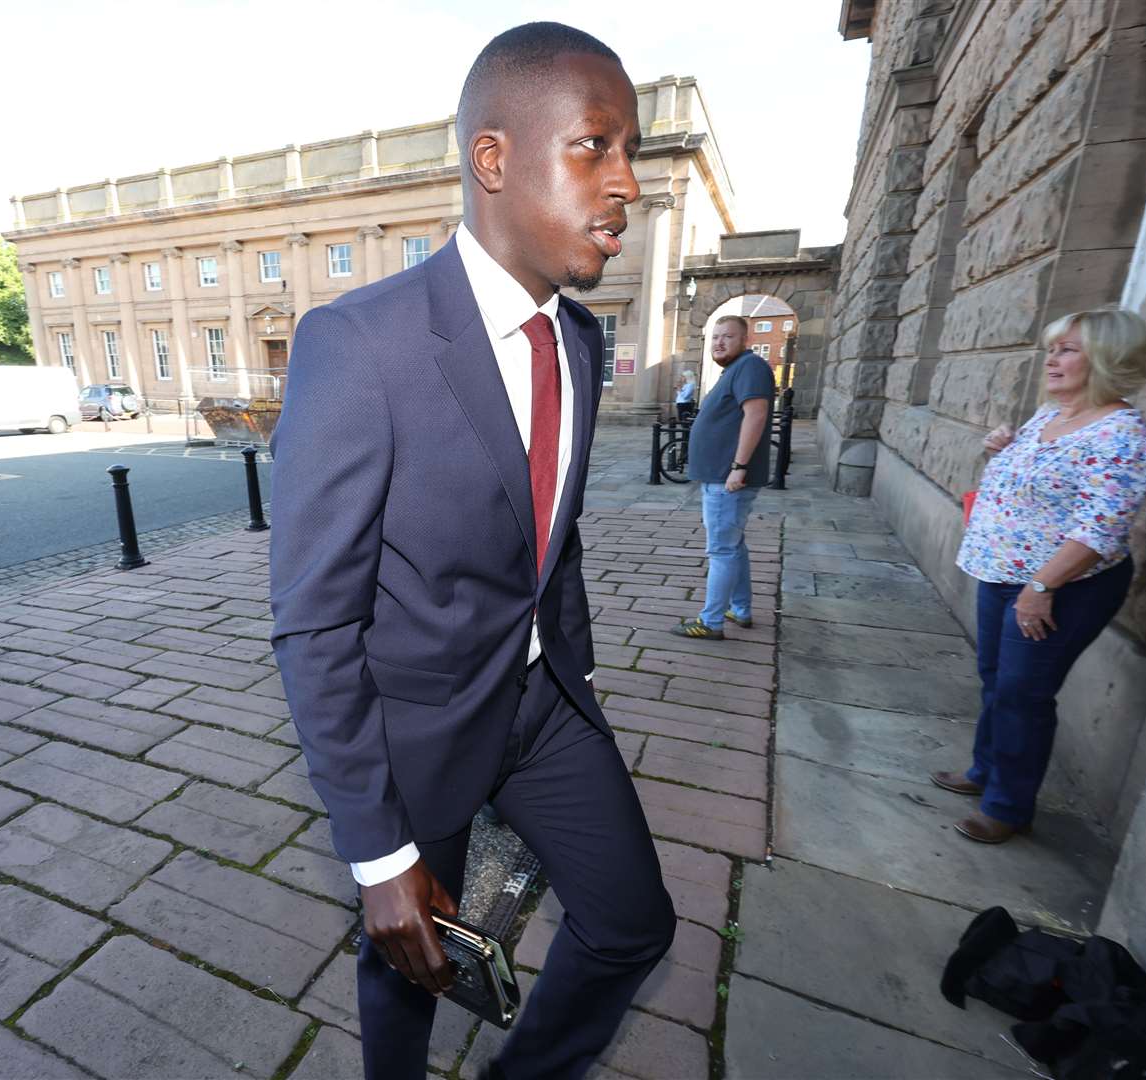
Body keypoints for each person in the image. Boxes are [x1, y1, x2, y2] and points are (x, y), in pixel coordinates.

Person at [270, 23, 674, 1080]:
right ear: (492, 159)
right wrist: (378, 850)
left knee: (633, 924)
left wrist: (570, 671)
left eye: (630, 150)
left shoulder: (580, 342)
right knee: (408, 965)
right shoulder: (359, 346)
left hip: (543, 708)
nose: (626, 181)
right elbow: (314, 622)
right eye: (596, 145)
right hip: (415, 734)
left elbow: (554, 539)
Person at [933, 309, 1146, 843]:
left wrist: (1041, 589)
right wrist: (1004, 451)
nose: (1053, 359)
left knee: (1022, 692)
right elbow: (1044, 485)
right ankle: (984, 771)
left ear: (1108, 359)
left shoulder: (1121, 434)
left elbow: (1099, 527)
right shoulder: (1050, 415)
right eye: (1053, 349)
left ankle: (1008, 807)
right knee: (996, 679)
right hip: (1004, 571)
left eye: (1070, 350)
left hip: (1062, 586)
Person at [673, 315, 774, 639]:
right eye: (715, 337)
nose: (719, 342)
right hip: (721, 476)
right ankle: (740, 609)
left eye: (727, 336)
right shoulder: (735, 370)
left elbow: (756, 414)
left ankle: (711, 621)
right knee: (733, 545)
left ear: (744, 340)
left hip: (727, 478)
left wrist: (739, 466)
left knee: (722, 550)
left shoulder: (750, 367)